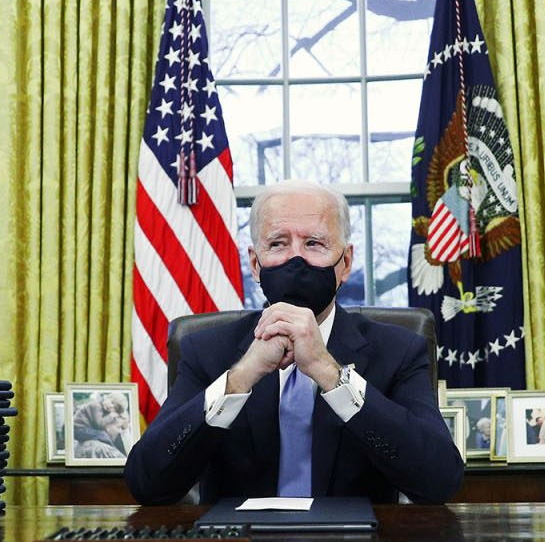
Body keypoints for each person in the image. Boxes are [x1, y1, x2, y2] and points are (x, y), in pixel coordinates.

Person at [124, 180, 464, 505]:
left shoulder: (399, 351)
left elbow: (438, 482)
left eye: (313, 243)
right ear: (254, 264)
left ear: (345, 263)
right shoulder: (207, 351)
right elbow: (148, 484)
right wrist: (239, 379)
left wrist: (329, 372)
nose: (295, 260)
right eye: (277, 244)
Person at [73, 392, 130, 459]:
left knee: (103, 435)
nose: (111, 407)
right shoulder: (96, 405)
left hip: (84, 429)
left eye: (114, 408)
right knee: (103, 435)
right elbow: (99, 424)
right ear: (106, 397)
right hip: (78, 429)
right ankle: (112, 449)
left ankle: (115, 451)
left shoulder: (103, 407)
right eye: (112, 403)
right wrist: (111, 416)